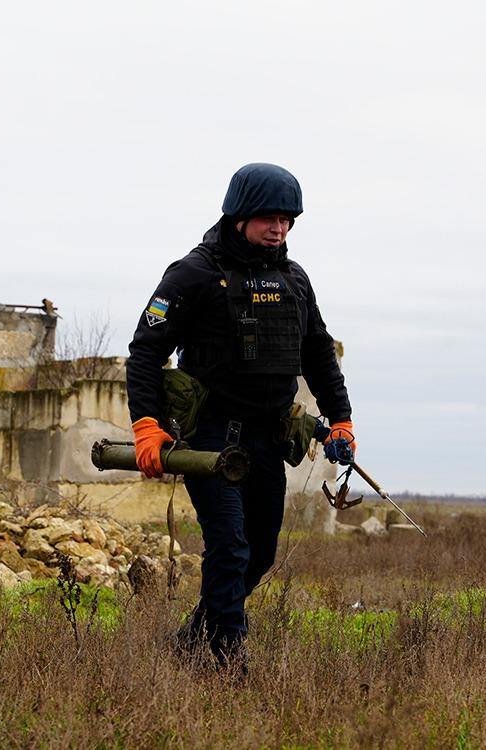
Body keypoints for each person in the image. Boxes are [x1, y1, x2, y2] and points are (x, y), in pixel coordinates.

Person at [125, 162, 355, 667]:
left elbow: (317, 352)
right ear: (239, 214)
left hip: (267, 439)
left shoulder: (294, 280)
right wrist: (146, 426)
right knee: (229, 548)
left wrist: (341, 420)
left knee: (261, 554)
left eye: (288, 219)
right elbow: (144, 352)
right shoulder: (193, 274)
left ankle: (190, 642)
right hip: (210, 438)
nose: (280, 228)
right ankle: (229, 662)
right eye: (269, 217)